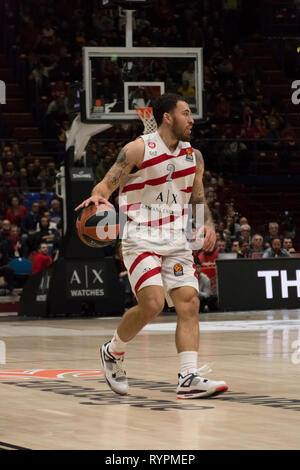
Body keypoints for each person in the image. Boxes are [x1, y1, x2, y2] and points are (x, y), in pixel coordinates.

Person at [75, 93, 228, 399]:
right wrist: (98, 196)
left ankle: (188, 377)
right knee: (153, 304)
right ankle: (113, 351)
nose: (191, 118)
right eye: (185, 113)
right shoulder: (138, 148)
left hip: (175, 238)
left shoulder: (194, 156)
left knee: (190, 302)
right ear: (167, 117)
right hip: (140, 236)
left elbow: (196, 197)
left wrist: (206, 223)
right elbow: (107, 183)